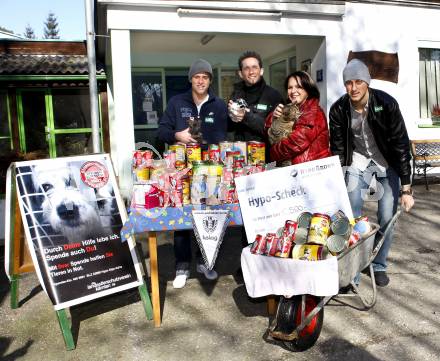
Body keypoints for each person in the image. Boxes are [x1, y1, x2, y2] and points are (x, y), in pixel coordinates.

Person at [329, 59, 415, 287]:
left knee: (387, 216)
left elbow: (400, 144)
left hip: (386, 162)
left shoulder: (386, 104)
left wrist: (406, 188)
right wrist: (339, 180)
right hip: (356, 161)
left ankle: (378, 264)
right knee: (352, 215)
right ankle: (353, 268)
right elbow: (338, 148)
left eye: (358, 81)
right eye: (349, 82)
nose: (353, 87)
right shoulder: (338, 109)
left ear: (367, 82)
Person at [158, 58, 228, 289]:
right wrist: (179, 136)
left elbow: (222, 135)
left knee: (208, 216)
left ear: (210, 80)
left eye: (205, 77)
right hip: (182, 170)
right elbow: (162, 130)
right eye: (197, 77)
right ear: (191, 79)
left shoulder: (218, 105)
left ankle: (205, 262)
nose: (201, 81)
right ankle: (182, 265)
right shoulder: (177, 102)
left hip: (209, 170)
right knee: (182, 219)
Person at [265, 71, 331, 165]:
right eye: (290, 87)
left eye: (298, 87)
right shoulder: (290, 108)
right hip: (298, 170)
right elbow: (269, 133)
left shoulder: (312, 112)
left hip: (312, 172)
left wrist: (270, 154)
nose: (293, 91)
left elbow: (295, 143)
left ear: (308, 89)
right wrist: (273, 117)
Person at [228, 50, 283, 148]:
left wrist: (246, 116)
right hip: (241, 155)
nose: (251, 72)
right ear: (240, 74)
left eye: (254, 67)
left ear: (261, 71)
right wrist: (231, 117)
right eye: (246, 68)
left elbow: (276, 130)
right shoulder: (236, 95)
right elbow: (229, 128)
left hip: (267, 157)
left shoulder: (273, 95)